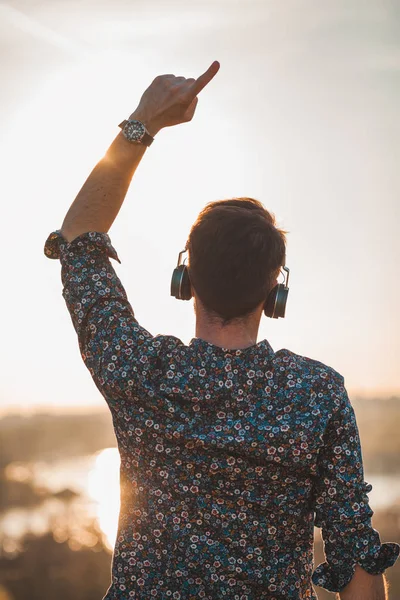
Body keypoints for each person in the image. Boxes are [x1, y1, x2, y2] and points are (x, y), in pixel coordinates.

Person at [44, 61, 398, 600]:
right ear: (275, 291)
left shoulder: (140, 371)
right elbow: (358, 570)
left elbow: (79, 239)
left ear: (186, 277)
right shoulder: (316, 393)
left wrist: (144, 122)